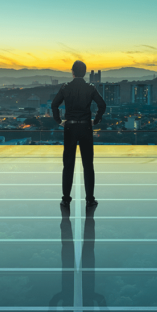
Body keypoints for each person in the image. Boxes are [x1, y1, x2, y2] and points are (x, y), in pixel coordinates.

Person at [51, 60, 106, 208]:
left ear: (72, 72)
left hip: (70, 128)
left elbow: (54, 104)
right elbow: (102, 105)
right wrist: (96, 119)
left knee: (68, 164)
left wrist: (59, 121)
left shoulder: (65, 87)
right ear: (85, 72)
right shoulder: (90, 88)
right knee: (88, 164)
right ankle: (90, 199)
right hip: (86, 128)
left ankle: (66, 199)